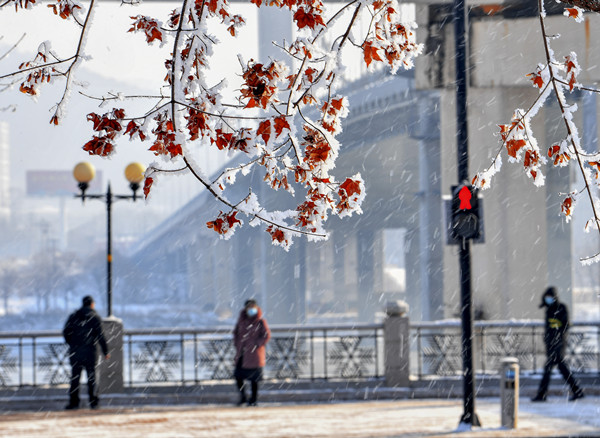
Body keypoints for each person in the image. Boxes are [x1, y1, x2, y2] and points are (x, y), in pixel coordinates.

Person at [531, 287, 584, 402]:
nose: (548, 300)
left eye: (549, 297)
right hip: (552, 344)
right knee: (560, 369)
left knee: (549, 369)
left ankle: (542, 394)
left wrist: (557, 334)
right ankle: (577, 391)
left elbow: (565, 325)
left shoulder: (561, 308)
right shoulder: (549, 310)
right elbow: (548, 329)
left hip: (558, 344)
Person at [63, 295, 110, 409]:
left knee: (75, 378)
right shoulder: (95, 317)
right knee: (92, 377)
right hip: (90, 352)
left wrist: (73, 343)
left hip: (76, 352)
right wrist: (105, 351)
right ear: (92, 304)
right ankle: (93, 401)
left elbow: (66, 332)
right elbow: (100, 336)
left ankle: (74, 402)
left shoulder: (73, 316)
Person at [233, 299, 271, 406]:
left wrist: (256, 344)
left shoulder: (260, 322)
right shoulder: (241, 321)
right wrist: (238, 344)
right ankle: (243, 397)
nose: (251, 309)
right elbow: (236, 333)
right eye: (249, 307)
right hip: (242, 353)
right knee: (238, 376)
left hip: (254, 354)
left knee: (254, 378)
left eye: (253, 307)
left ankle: (253, 399)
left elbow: (266, 335)